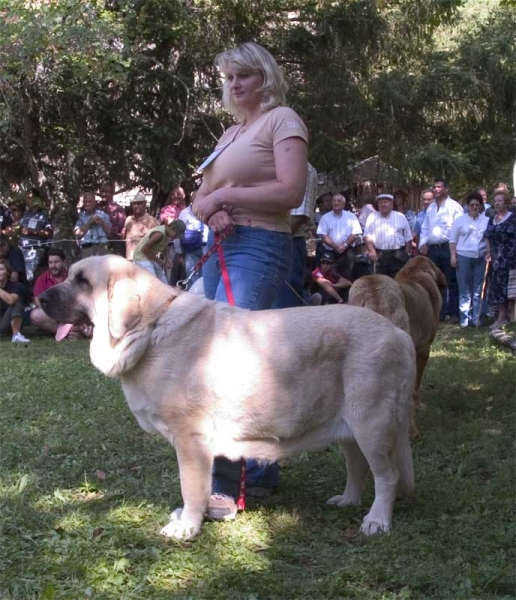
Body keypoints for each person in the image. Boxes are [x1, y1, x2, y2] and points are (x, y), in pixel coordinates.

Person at [191, 42, 308, 521]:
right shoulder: (230, 131)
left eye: (243, 76)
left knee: (228, 359)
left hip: (260, 244)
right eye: (228, 78)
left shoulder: (284, 121)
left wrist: (228, 195)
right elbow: (199, 197)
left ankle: (225, 485)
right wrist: (212, 208)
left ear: (265, 77)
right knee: (224, 356)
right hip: (222, 245)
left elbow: (290, 191)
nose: (234, 85)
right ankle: (259, 469)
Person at [272, 162, 318, 308]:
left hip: (286, 242)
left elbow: (298, 217)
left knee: (284, 307)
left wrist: (267, 241)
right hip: (274, 242)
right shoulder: (271, 162)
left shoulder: (301, 167)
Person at [419, 178, 463, 321]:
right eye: (435, 187)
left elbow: (459, 228)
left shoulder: (454, 206)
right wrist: (423, 243)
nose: (436, 189)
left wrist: (454, 251)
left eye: (439, 187)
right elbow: (425, 228)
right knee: (436, 281)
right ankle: (439, 312)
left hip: (448, 247)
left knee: (451, 281)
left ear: (446, 189)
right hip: (433, 249)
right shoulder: (430, 208)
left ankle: (454, 312)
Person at [449, 192, 490, 328]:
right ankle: (464, 319)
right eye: (472, 205)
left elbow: (488, 239)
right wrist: (453, 256)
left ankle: (476, 318)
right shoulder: (460, 221)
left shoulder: (485, 221)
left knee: (478, 289)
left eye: (477, 205)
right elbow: (453, 240)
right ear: (467, 206)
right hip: (463, 257)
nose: (474, 207)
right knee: (464, 289)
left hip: (481, 257)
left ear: (481, 206)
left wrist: (489, 253)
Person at [485, 189, 516, 329]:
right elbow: (488, 237)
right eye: (495, 201)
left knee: (509, 290)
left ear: (506, 203)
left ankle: (509, 317)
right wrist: (488, 252)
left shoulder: (513, 217)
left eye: (500, 201)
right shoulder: (492, 220)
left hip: (511, 259)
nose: (497, 203)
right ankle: (501, 317)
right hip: (496, 260)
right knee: (497, 289)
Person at [363, 193, 413, 278]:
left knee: (399, 280)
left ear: (392, 205)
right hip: (380, 255)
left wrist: (407, 254)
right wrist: (371, 251)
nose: (383, 205)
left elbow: (408, 238)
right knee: (381, 282)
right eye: (380, 203)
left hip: (398, 255)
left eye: (385, 202)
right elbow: (367, 236)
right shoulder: (372, 217)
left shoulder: (400, 216)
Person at [316, 192, 362, 280]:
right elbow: (323, 235)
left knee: (348, 275)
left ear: (344, 204)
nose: (336, 203)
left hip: (347, 251)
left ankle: (346, 292)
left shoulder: (351, 217)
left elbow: (355, 233)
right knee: (327, 276)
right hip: (329, 251)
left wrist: (344, 245)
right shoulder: (325, 218)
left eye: (339, 201)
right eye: (334, 201)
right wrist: (336, 246)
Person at [133, 218, 186, 284]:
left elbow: (164, 246)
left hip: (150, 256)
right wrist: (159, 260)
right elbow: (144, 249)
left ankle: (166, 292)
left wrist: (167, 259)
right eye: (176, 235)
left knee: (162, 279)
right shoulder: (159, 234)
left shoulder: (168, 234)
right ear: (173, 229)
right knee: (153, 280)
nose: (175, 238)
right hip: (141, 257)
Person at [30, 248, 69, 335]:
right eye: (50, 262)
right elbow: (37, 300)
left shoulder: (71, 276)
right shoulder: (42, 279)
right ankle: (68, 333)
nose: (53, 265)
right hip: (52, 313)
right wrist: (54, 311)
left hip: (71, 311)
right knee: (35, 315)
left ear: (64, 262)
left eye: (56, 262)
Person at [19, 188, 53, 282]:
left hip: (34, 250)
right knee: (18, 275)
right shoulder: (26, 213)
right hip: (22, 249)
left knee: (29, 277)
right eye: (26, 198)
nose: (27, 201)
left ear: (37, 199)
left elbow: (50, 234)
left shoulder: (45, 213)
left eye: (30, 198)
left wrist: (33, 232)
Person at [177, 194, 208, 289]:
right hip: (190, 250)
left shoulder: (208, 211)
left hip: (206, 248)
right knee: (192, 275)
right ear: (192, 200)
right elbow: (178, 232)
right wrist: (179, 253)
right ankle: (194, 298)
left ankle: (205, 299)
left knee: (206, 276)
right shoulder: (184, 213)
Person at [0, 259, 30, 343]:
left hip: (5, 323)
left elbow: (11, 300)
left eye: (1, 269)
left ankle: (16, 335)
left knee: (17, 303)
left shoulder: (15, 286)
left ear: (8, 272)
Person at [74, 192, 112, 258]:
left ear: (95, 202)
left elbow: (109, 232)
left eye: (90, 201)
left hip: (101, 247)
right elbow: (77, 234)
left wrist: (102, 223)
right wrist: (89, 223)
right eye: (85, 202)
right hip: (86, 248)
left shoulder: (103, 215)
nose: (87, 204)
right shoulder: (80, 216)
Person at [123, 193, 158, 260]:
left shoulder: (152, 221)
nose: (136, 206)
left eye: (139, 203)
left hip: (145, 260)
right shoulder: (128, 220)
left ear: (145, 204)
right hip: (129, 259)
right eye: (134, 204)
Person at [98, 182, 126, 256]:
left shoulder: (118, 209)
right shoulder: (96, 207)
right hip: (98, 244)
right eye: (102, 192)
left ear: (112, 193)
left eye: (106, 192)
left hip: (114, 242)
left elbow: (122, 228)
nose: (104, 194)